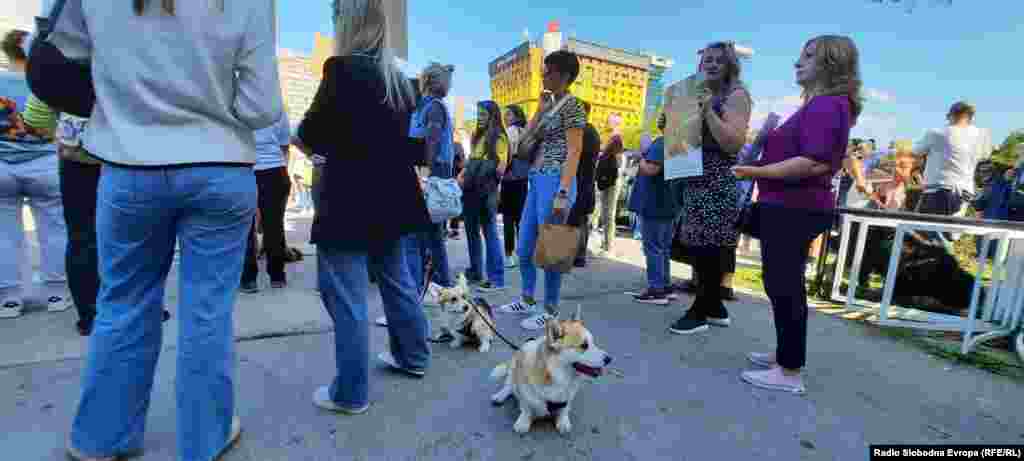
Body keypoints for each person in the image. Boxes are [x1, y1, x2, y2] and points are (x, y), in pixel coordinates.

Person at [51, 1, 282, 459]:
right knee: (207, 312)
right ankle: (204, 438)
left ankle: (101, 437)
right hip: (218, 164)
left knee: (122, 302)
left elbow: (65, 55)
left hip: (128, 161)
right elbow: (263, 108)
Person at [296, 0, 430, 416]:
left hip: (348, 198)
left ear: (349, 25)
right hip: (394, 197)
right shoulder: (403, 83)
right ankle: (413, 357)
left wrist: (323, 149)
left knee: (348, 295)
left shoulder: (341, 71)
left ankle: (351, 392)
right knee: (397, 280)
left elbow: (308, 135)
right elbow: (415, 148)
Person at [732, 35, 860, 394]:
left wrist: (751, 173)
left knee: (784, 286)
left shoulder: (827, 105)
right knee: (782, 285)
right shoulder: (823, 104)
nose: (797, 62)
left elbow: (812, 163)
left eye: (808, 56)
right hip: (791, 207)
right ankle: (784, 356)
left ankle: (789, 371)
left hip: (795, 208)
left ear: (831, 64)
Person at [497, 50, 585, 331]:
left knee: (553, 250)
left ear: (564, 75)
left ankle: (550, 309)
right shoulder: (548, 105)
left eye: (547, 70)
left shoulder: (574, 106)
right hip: (536, 178)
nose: (542, 74)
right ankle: (527, 298)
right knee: (524, 248)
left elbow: (575, 151)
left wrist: (563, 191)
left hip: (557, 179)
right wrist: (538, 111)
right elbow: (521, 142)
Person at [668, 42, 752, 333]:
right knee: (699, 245)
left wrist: (707, 112)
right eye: (707, 59)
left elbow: (733, 142)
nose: (711, 64)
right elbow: (684, 137)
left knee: (709, 249)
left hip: (717, 179)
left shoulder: (736, 94)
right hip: (694, 175)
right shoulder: (695, 92)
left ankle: (699, 311)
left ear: (730, 64)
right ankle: (715, 306)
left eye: (719, 60)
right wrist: (673, 123)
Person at [0, 30, 72, 321]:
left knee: (4, 233)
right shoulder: (45, 81)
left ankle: (9, 299)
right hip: (45, 163)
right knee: (55, 228)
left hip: (3, 165)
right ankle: (56, 292)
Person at [405, 62, 456, 292]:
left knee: (417, 235)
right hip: (430, 172)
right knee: (432, 234)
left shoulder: (432, 108)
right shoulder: (428, 107)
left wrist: (424, 174)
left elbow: (432, 141)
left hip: (429, 173)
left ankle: (419, 289)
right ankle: (442, 284)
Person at [630, 113, 684, 305]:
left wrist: (642, 155)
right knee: (663, 248)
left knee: (652, 247)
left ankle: (656, 290)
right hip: (670, 205)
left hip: (655, 204)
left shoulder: (662, 143)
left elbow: (651, 169)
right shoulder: (679, 145)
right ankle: (665, 286)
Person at [912, 101, 993, 226]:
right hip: (965, 193)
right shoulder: (982, 135)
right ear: (970, 118)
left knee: (924, 233)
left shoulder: (936, 133)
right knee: (949, 232)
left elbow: (916, 152)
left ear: (951, 115)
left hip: (938, 190)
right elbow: (984, 157)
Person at [241, 111, 292, 292]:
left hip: (244, 167)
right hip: (274, 169)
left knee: (245, 226)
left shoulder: (236, 103)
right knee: (274, 225)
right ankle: (277, 277)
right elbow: (285, 145)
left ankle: (248, 279)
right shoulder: (276, 109)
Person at [459, 100, 507, 291]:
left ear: (493, 116)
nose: (479, 118)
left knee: (490, 233)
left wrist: (484, 170)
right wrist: (463, 174)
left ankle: (496, 279)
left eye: (483, 115)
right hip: (471, 191)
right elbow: (471, 161)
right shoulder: (478, 137)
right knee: (471, 233)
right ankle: (476, 272)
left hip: (486, 193)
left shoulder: (499, 137)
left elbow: (501, 167)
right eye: (478, 114)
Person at [568, 100, 600, 268]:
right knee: (581, 220)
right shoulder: (591, 131)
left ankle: (574, 256)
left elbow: (574, 156)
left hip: (580, 182)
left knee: (576, 219)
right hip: (586, 182)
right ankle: (578, 256)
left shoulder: (583, 131)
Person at [499, 105, 529, 267]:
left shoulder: (510, 131)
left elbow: (506, 156)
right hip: (523, 178)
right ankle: (523, 253)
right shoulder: (526, 131)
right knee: (521, 220)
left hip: (510, 179)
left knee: (508, 219)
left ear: (517, 115)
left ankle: (509, 255)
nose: (506, 117)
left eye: (509, 114)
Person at [594, 133, 624, 254]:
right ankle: (607, 242)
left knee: (608, 215)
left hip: (610, 186)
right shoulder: (616, 155)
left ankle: (607, 244)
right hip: (611, 185)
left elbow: (617, 171)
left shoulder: (615, 155)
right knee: (608, 215)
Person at [449, 127, 467, 240]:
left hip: (448, 176)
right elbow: (462, 163)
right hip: (455, 178)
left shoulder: (454, 145)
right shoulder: (457, 145)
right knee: (455, 202)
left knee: (442, 202)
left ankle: (446, 229)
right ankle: (454, 230)